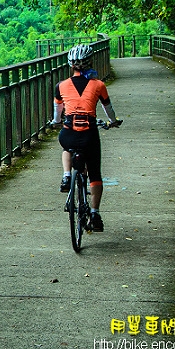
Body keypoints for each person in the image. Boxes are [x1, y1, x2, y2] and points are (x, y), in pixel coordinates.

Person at [49, 43, 122, 232]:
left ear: (71, 65)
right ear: (90, 62)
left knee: (66, 146)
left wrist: (57, 121)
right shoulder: (99, 85)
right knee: (95, 173)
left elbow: (58, 112)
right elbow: (108, 109)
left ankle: (66, 176)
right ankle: (95, 213)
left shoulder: (61, 86)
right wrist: (113, 121)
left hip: (69, 133)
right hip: (89, 134)